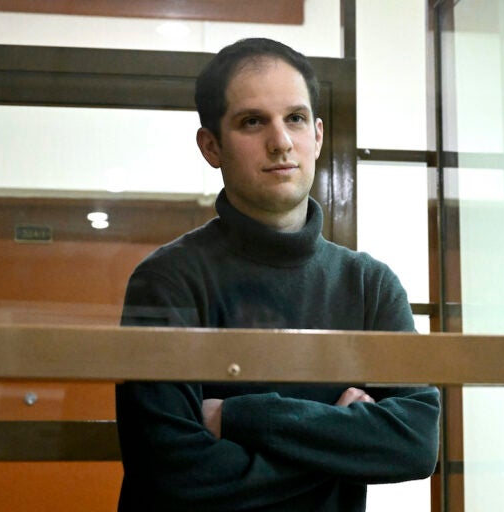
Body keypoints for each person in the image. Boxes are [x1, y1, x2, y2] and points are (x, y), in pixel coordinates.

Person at [115, 37, 440, 512]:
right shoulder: (167, 280)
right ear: (211, 146)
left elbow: (414, 443)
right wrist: (342, 441)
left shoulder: (369, 285)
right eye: (252, 121)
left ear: (318, 136)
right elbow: (174, 474)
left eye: (295, 118)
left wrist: (242, 416)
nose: (281, 141)